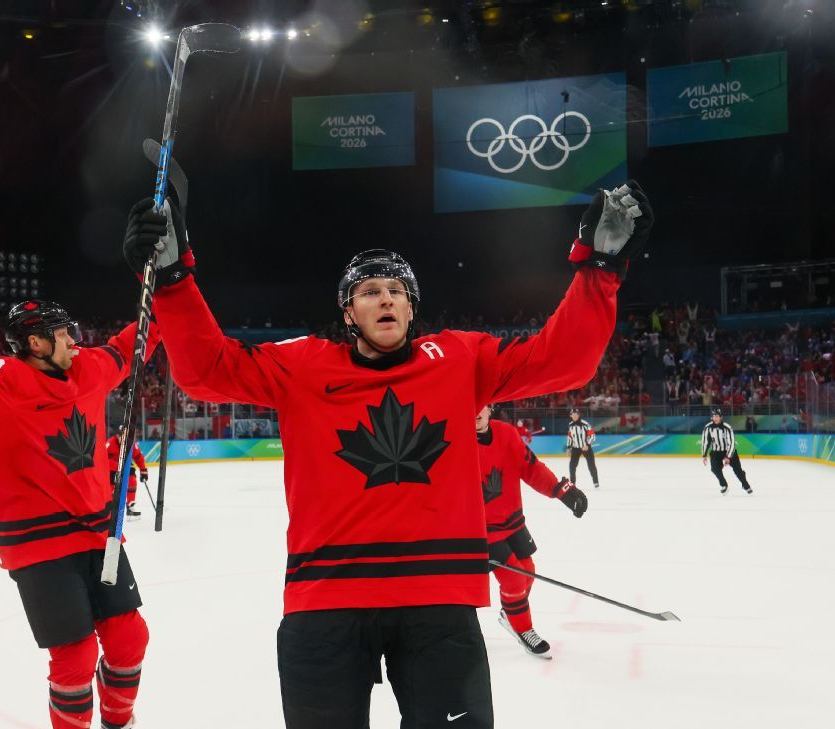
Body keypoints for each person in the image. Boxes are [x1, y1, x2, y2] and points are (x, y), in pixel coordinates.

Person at [124, 177, 652, 728]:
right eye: (370, 290)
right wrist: (172, 280)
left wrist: (601, 269)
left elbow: (565, 360)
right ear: (348, 312)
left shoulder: (457, 359)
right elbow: (206, 371)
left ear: (411, 306)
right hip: (325, 600)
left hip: (438, 601)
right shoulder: (301, 366)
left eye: (397, 290)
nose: (386, 298)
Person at [0, 260, 159, 729]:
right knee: (76, 655)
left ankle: (119, 722)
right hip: (37, 544)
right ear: (36, 342)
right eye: (63, 334)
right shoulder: (1, 382)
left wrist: (160, 281)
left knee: (130, 638)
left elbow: (137, 340)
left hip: (97, 532)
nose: (73, 340)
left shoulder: (89, 368)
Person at [476, 404, 585, 659]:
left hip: (512, 521)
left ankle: (510, 613)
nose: (475, 413)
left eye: (480, 407)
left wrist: (562, 491)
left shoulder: (506, 434)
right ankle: (523, 628)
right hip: (481, 529)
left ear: (490, 408)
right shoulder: (456, 441)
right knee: (513, 579)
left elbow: (531, 468)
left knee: (528, 570)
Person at [701, 407, 753, 494]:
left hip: (729, 450)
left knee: (738, 470)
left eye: (717, 416)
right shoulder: (708, 427)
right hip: (716, 452)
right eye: (714, 416)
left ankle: (746, 485)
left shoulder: (727, 427)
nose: (715, 418)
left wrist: (728, 456)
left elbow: (731, 443)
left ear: (721, 417)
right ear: (711, 417)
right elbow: (706, 441)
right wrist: (704, 455)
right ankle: (724, 485)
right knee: (714, 469)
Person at [106, 432, 149, 520]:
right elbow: (102, 460)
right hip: (110, 469)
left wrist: (143, 471)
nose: (123, 439)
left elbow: (138, 457)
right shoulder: (109, 444)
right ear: (117, 436)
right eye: (121, 436)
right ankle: (108, 510)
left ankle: (130, 507)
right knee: (110, 489)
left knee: (132, 479)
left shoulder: (131, 444)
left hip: (124, 467)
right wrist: (117, 466)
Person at [565, 408, 599, 488]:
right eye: (573, 414)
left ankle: (596, 482)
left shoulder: (585, 424)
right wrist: (568, 447)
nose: (574, 416)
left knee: (591, 465)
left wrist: (587, 444)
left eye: (576, 414)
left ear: (579, 415)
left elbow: (593, 436)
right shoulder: (570, 425)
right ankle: (572, 484)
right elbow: (570, 437)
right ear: (570, 416)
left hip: (586, 448)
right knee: (572, 466)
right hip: (575, 448)